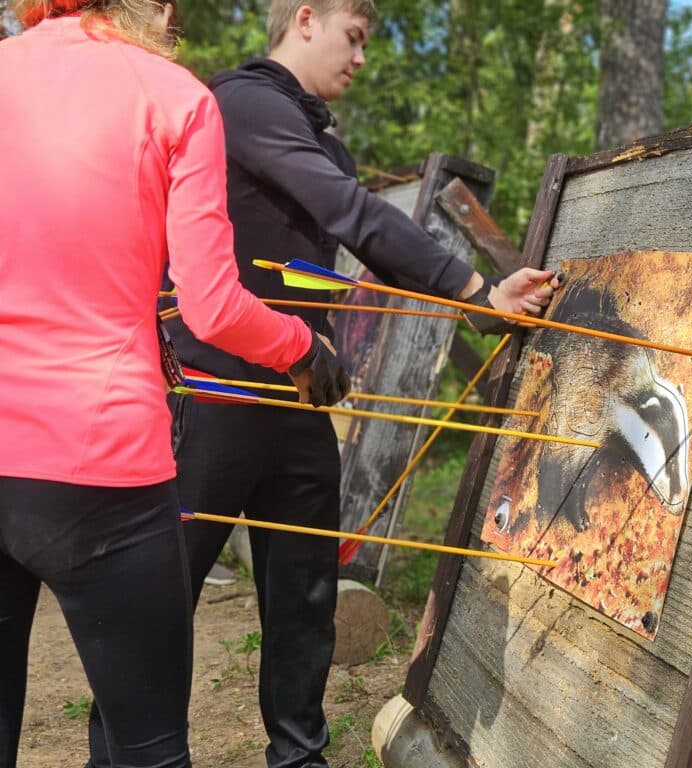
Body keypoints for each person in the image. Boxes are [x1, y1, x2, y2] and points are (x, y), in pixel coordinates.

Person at [89, 1, 559, 766]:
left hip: (300, 400)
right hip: (212, 395)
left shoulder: (315, 137)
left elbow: (354, 234)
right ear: (304, 18)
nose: (362, 57)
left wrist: (469, 300)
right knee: (158, 600)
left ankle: (299, 756)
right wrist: (475, 291)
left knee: (304, 600)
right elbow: (350, 210)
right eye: (355, 36)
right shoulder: (241, 103)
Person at [0, 1, 351, 767]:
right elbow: (213, 304)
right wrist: (302, 348)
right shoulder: (173, 94)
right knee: (148, 753)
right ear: (151, 5)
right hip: (101, 465)